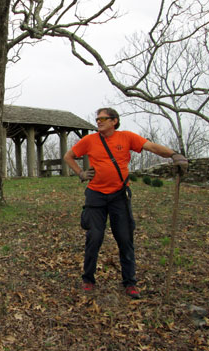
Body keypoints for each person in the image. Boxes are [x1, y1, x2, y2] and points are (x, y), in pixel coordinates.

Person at [63, 108, 188, 299]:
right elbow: (68, 156)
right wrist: (80, 173)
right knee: (94, 238)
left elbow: (152, 147)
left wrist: (174, 155)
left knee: (125, 238)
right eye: (97, 119)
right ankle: (88, 279)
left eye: (103, 118)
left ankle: (130, 283)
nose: (99, 122)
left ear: (115, 121)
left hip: (119, 196)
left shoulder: (127, 137)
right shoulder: (90, 140)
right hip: (95, 196)